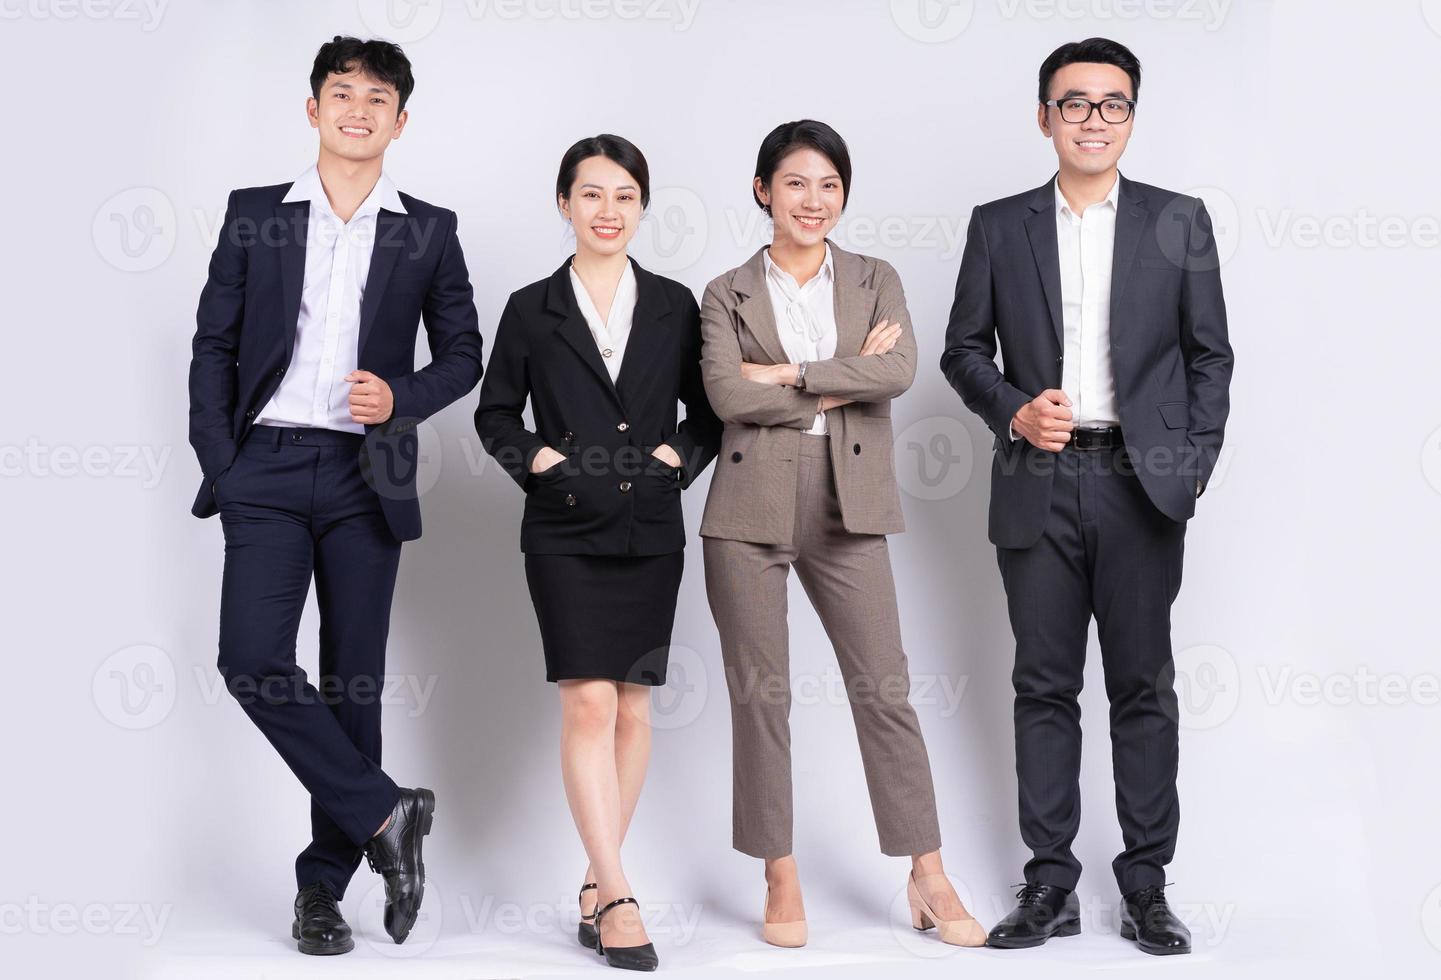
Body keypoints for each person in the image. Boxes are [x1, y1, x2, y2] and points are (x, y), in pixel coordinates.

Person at [187, 36, 484, 955]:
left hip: (367, 475)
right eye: (342, 92)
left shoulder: (428, 228)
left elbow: (465, 353)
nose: (359, 108)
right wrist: (223, 461)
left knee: (353, 684)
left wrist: (403, 398)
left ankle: (323, 891)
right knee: (252, 660)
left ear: (402, 120)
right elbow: (213, 347)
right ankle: (387, 813)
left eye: (379, 97)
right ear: (312, 109)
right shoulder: (252, 215)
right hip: (266, 470)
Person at [940, 37, 1233, 956]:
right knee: (1043, 685)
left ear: (1131, 118)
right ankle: (1049, 884)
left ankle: (1145, 884)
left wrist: (1186, 467)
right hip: (1037, 478)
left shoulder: (1177, 218)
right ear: (1044, 117)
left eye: (1112, 104)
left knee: (1142, 686)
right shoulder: (998, 224)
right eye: (1075, 103)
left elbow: (1208, 357)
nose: (1094, 119)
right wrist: (1012, 412)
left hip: (1141, 487)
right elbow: (961, 350)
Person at [698, 119, 985, 950]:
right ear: (763, 191)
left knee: (883, 689)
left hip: (848, 500)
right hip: (747, 507)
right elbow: (724, 397)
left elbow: (895, 371)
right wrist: (838, 381)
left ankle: (927, 873)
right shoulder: (725, 292)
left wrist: (786, 374)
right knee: (763, 696)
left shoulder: (873, 277)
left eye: (828, 185)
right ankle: (777, 867)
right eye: (794, 183)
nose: (812, 200)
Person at [474, 134, 721, 971]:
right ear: (563, 204)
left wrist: (674, 462)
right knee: (587, 704)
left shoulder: (676, 304)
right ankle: (617, 896)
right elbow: (495, 414)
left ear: (641, 206)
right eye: (590, 195)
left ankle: (592, 875)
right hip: (564, 530)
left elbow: (710, 411)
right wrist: (539, 462)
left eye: (623, 196)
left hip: (649, 527)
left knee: (634, 706)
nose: (607, 211)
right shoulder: (528, 306)